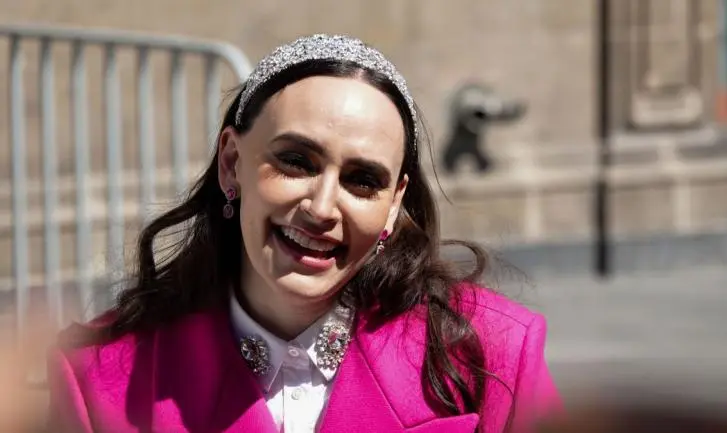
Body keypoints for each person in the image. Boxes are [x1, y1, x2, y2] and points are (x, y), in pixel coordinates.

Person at [46, 34, 561, 433]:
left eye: (363, 180)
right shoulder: (98, 375)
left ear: (393, 204)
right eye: (295, 161)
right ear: (231, 162)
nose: (321, 207)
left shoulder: (490, 351)